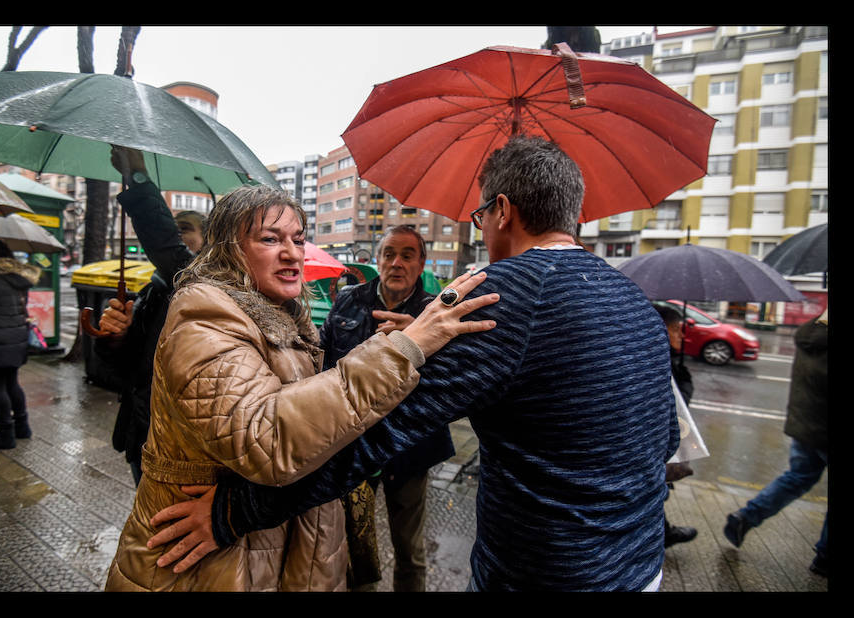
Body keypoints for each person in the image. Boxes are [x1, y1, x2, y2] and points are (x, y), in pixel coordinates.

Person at [149, 135, 680, 591]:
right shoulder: (633, 298)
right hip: (638, 562)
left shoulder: (493, 298)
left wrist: (233, 513)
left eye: (480, 217)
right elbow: (666, 441)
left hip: (545, 571)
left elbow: (371, 435)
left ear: (502, 211)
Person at [103, 183, 498, 591]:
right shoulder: (206, 316)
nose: (292, 253)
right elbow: (268, 439)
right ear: (227, 249)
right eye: (270, 239)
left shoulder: (283, 313)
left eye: (298, 239)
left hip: (288, 541)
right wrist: (403, 349)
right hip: (214, 560)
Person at [321, 225, 454, 591]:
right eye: (389, 254)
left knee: (410, 550)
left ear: (421, 263)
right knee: (357, 547)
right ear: (377, 259)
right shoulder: (348, 300)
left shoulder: (437, 312)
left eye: (407, 255)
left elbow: (453, 389)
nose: (397, 263)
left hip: (411, 447)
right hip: (354, 444)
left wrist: (420, 340)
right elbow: (325, 363)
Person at [94, 144, 206, 486]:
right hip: (140, 434)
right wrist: (116, 337)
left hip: (181, 446)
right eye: (176, 227)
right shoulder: (152, 291)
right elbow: (125, 370)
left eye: (186, 228)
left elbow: (166, 245)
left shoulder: (201, 284)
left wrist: (138, 178)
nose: (179, 234)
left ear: (209, 243)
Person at [723, 308, 828, 577]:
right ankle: (826, 557)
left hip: (805, 425)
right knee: (799, 477)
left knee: (798, 477)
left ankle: (746, 517)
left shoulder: (809, 335)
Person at [0, 237, 42, 450]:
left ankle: (6, 434)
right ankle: (22, 427)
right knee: (12, 383)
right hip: (15, 339)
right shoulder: (14, 277)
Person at [654, 303, 698, 548]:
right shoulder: (661, 365)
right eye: (676, 329)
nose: (681, 335)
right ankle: (662, 533)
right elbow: (673, 412)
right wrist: (683, 382)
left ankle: (664, 531)